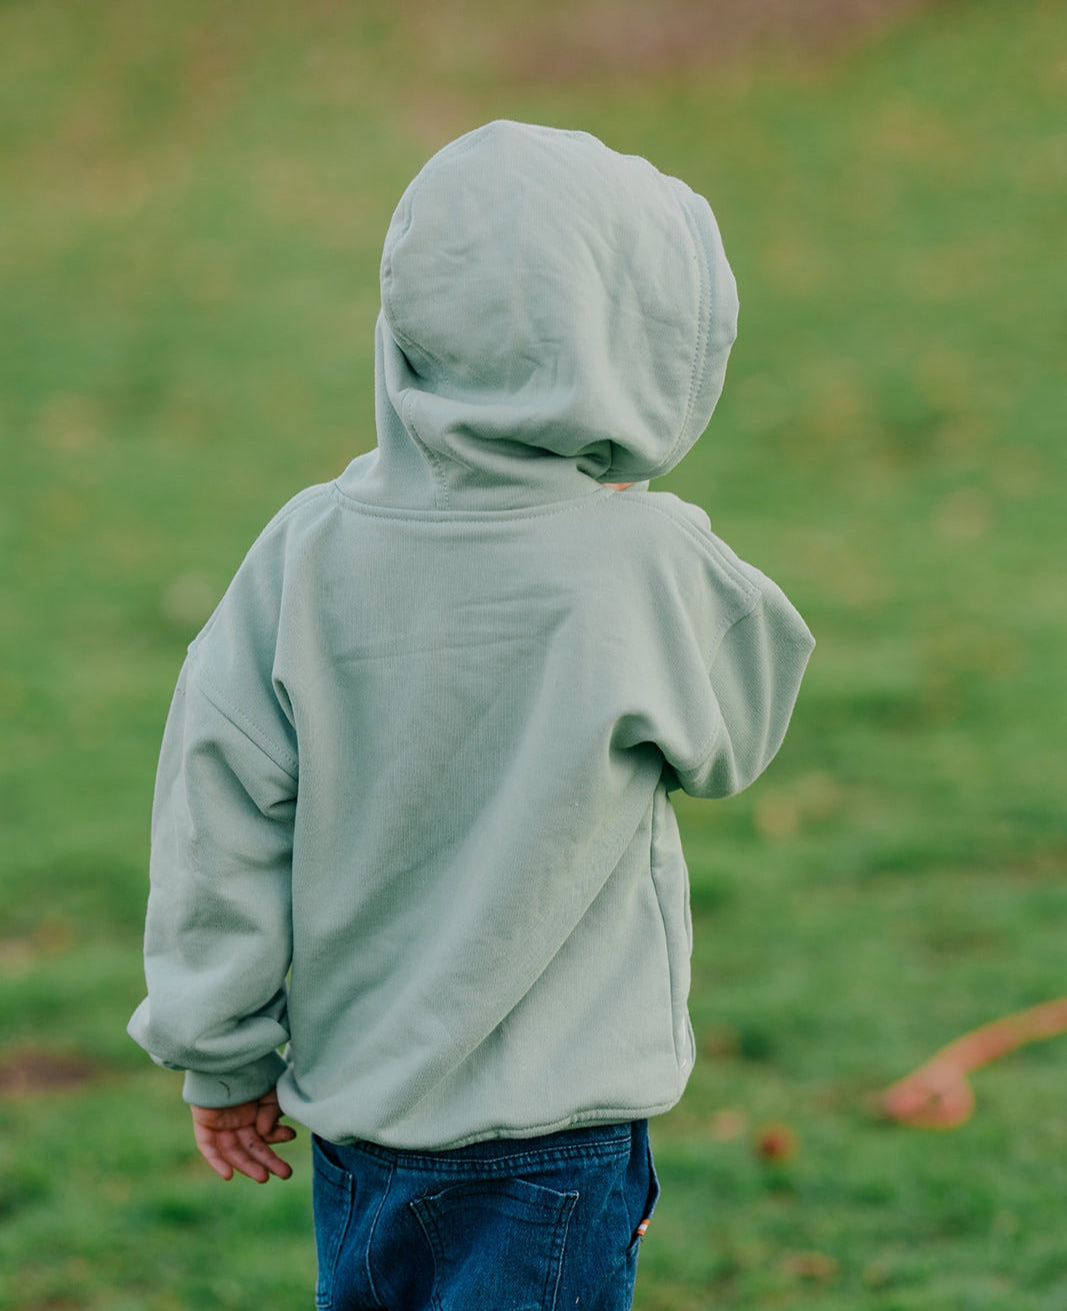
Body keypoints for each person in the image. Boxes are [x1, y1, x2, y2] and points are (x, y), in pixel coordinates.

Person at [129, 120, 814, 1310]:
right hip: (557, 1130)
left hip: (360, 1120)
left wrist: (222, 1051)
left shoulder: (306, 551)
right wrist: (642, 507)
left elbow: (217, 812)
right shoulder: (640, 559)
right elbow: (735, 734)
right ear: (631, 337)